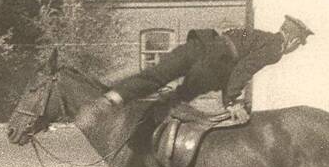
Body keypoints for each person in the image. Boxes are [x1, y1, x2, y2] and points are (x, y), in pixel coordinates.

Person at [104, 15, 314, 123]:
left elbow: (234, 66)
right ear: (293, 40)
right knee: (177, 98)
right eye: (299, 44)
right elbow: (242, 70)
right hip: (213, 64)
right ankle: (144, 125)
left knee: (157, 75)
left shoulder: (260, 36)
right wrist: (231, 102)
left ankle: (114, 97)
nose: (296, 48)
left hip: (200, 45)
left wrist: (228, 100)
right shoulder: (274, 48)